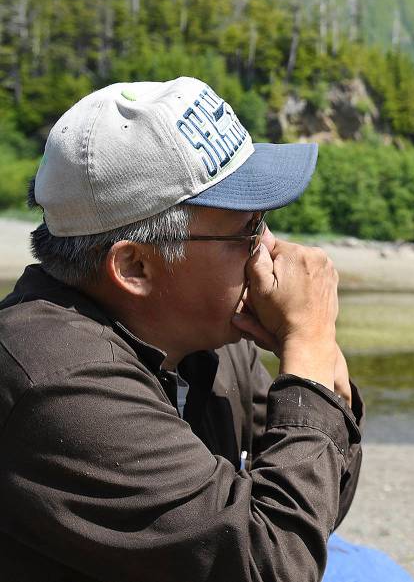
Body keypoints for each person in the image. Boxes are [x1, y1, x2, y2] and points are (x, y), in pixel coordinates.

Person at [0, 77, 384, 581]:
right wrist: (308, 344)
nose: (270, 250)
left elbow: (312, 514)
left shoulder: (203, 338)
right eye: (248, 228)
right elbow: (274, 565)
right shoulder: (57, 383)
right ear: (136, 266)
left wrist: (316, 358)